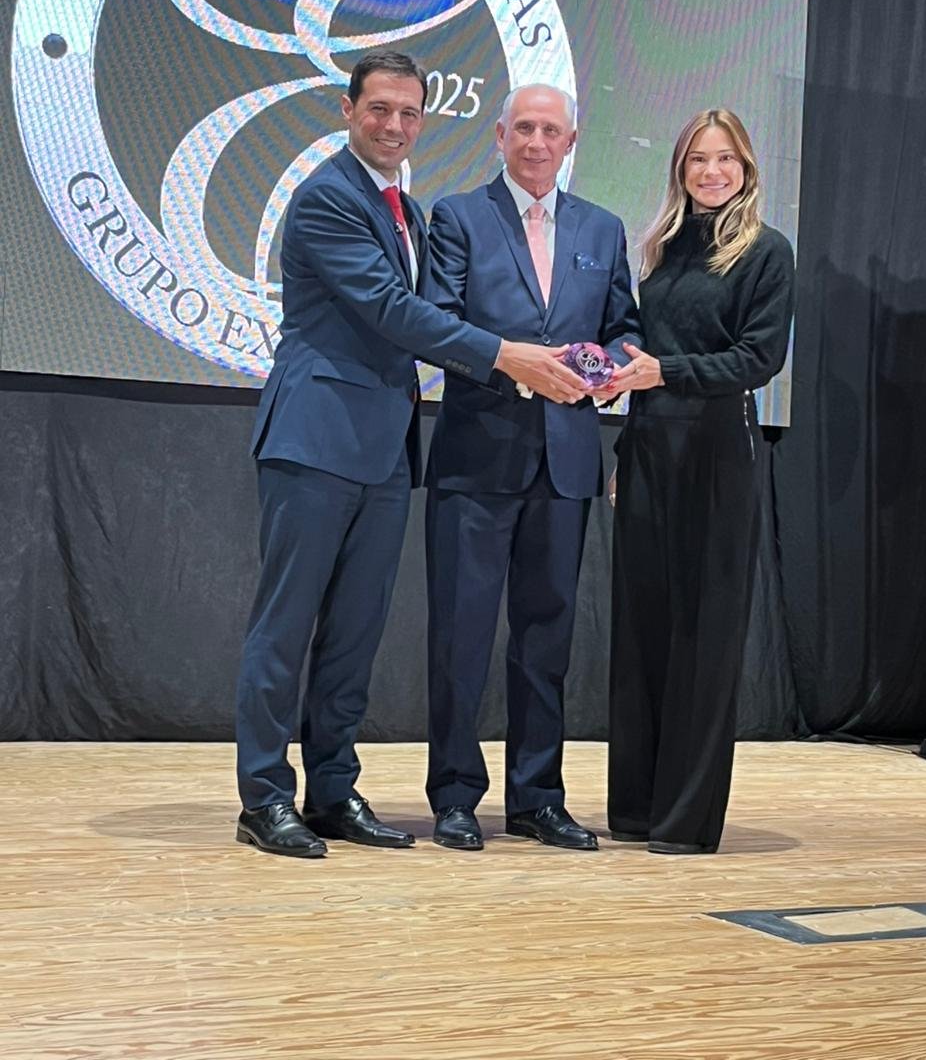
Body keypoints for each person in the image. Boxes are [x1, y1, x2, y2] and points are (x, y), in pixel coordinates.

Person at [234, 52, 587, 859]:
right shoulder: (327, 196)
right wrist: (507, 354)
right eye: (379, 110)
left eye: (408, 113)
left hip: (387, 448)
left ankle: (331, 788)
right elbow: (393, 309)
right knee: (286, 626)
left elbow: (418, 315)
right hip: (316, 436)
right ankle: (263, 796)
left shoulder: (407, 207)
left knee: (355, 633)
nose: (393, 125)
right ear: (349, 111)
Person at [424, 84, 640, 852]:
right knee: (461, 636)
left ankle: (537, 798)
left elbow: (624, 331)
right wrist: (522, 369)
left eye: (551, 130)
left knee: (546, 638)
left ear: (571, 139)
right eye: (524, 129)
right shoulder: (457, 217)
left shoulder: (603, 229)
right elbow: (438, 325)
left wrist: (601, 367)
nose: (537, 142)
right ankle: (454, 795)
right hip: (475, 458)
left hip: (566, 462)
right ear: (500, 136)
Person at [606, 107, 795, 855]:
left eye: (725, 160)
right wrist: (626, 445)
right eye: (697, 161)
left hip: (719, 454)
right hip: (650, 448)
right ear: (679, 170)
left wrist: (666, 371)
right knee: (642, 630)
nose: (711, 172)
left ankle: (684, 821)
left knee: (703, 636)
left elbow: (759, 361)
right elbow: (641, 356)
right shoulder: (658, 252)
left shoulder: (765, 253)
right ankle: (634, 810)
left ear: (746, 169)